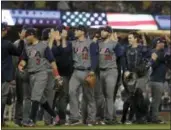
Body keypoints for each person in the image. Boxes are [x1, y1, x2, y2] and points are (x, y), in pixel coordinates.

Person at [18, 28, 63, 126]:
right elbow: (24, 59)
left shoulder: (43, 46)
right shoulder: (27, 47)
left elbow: (52, 61)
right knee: (41, 99)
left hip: (41, 73)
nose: (26, 38)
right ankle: (56, 117)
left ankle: (31, 120)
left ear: (32, 35)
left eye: (27, 36)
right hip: (31, 75)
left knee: (35, 97)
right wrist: (21, 65)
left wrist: (57, 75)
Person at [62, 25, 98, 126]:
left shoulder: (91, 43)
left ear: (82, 31)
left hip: (87, 72)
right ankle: (75, 118)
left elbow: (95, 58)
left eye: (76, 30)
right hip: (76, 71)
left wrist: (92, 70)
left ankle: (91, 119)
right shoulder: (73, 43)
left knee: (89, 96)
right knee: (71, 92)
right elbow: (65, 50)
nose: (75, 32)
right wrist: (64, 38)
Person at [121, 31, 150, 124]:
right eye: (128, 38)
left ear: (135, 39)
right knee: (130, 98)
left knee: (140, 97)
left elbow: (146, 60)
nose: (128, 39)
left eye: (130, 38)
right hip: (129, 76)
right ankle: (129, 118)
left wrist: (143, 36)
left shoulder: (142, 49)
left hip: (141, 76)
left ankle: (140, 117)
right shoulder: (126, 49)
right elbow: (124, 60)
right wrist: (125, 70)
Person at [98, 26, 123, 124]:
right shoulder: (98, 44)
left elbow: (121, 59)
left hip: (111, 71)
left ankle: (108, 118)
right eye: (102, 31)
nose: (102, 32)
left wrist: (122, 72)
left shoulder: (115, 44)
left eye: (104, 31)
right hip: (101, 71)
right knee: (105, 96)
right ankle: (113, 117)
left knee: (109, 95)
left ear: (109, 33)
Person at [1, 22, 24, 127]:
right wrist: (22, 40)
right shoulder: (7, 44)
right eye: (5, 29)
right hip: (4, 74)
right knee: (2, 97)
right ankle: (0, 121)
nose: (6, 31)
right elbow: (19, 52)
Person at [13, 25, 32, 126]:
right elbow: (15, 59)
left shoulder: (29, 43)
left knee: (21, 98)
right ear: (19, 33)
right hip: (22, 71)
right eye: (24, 31)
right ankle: (22, 119)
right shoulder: (17, 43)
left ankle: (18, 120)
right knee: (24, 97)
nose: (26, 33)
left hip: (22, 71)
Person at [149, 38, 167, 124]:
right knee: (156, 100)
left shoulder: (158, 52)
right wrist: (153, 59)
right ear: (156, 43)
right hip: (156, 80)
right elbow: (153, 65)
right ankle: (154, 118)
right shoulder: (158, 52)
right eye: (161, 43)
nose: (163, 44)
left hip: (156, 79)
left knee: (154, 100)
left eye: (163, 43)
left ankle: (150, 117)